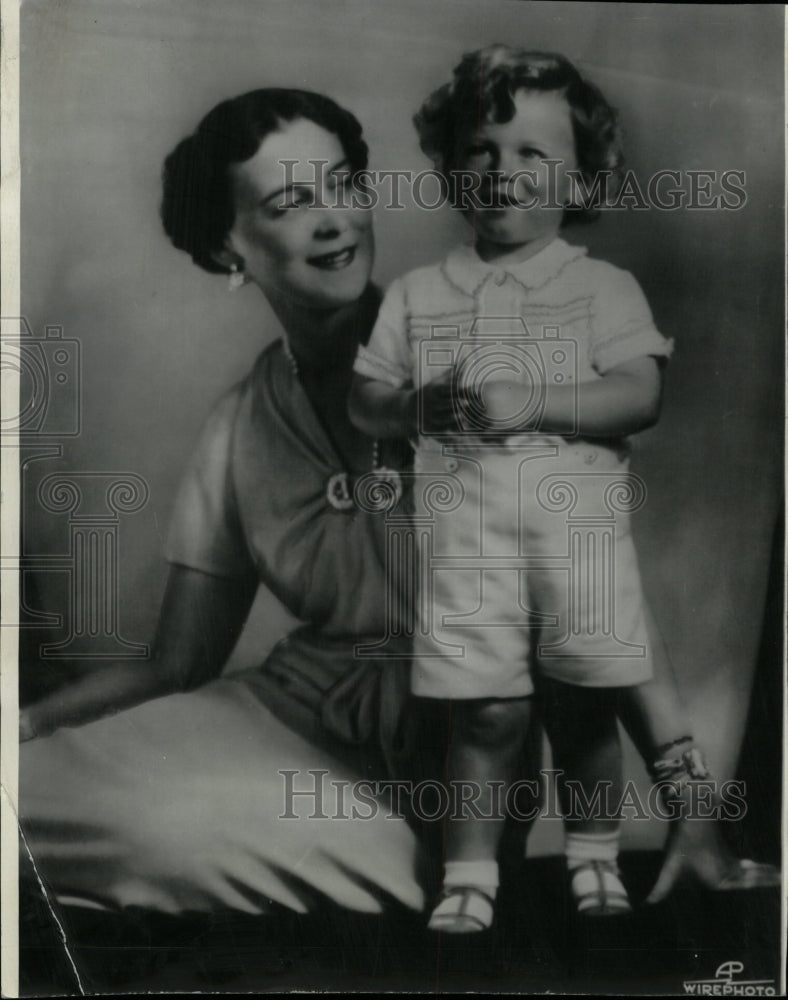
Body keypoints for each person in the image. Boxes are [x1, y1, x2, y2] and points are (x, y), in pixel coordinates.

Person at [18, 80, 775, 937]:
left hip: (447, 757)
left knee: (154, 834)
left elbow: (595, 590)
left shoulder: (466, 366)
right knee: (32, 793)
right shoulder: (240, 420)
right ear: (228, 247)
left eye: (344, 185)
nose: (336, 220)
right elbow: (177, 663)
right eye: (293, 201)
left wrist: (690, 802)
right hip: (283, 710)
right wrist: (28, 722)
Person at [349, 45, 780, 933]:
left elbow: (640, 395)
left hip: (577, 543)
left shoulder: (599, 287)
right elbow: (366, 401)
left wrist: (535, 401)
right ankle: (469, 877)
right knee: (489, 714)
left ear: (579, 176)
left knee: (585, 706)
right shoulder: (422, 295)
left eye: (532, 154)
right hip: (466, 547)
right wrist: (418, 405)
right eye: (481, 150)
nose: (502, 172)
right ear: (451, 166)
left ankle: (593, 855)